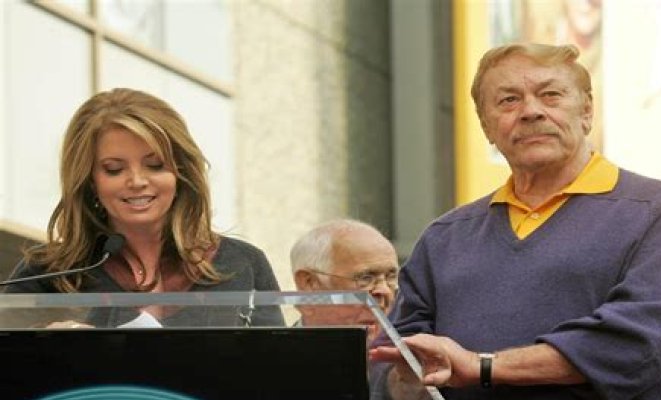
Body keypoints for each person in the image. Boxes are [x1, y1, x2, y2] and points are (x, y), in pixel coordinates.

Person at [370, 43, 661, 400]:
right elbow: (393, 364)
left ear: (587, 111)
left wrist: (484, 366)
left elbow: (639, 345)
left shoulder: (657, 212)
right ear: (486, 127)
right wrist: (407, 378)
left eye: (551, 95)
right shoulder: (445, 238)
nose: (531, 111)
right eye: (509, 100)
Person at [2, 88, 284, 328]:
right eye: (114, 169)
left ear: (181, 173)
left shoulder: (243, 263)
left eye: (155, 165)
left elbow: (276, 367)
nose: (137, 181)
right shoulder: (48, 272)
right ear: (90, 182)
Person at [291, 219, 399, 342]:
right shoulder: (276, 354)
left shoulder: (408, 351)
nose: (385, 291)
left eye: (391, 277)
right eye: (366, 278)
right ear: (309, 284)